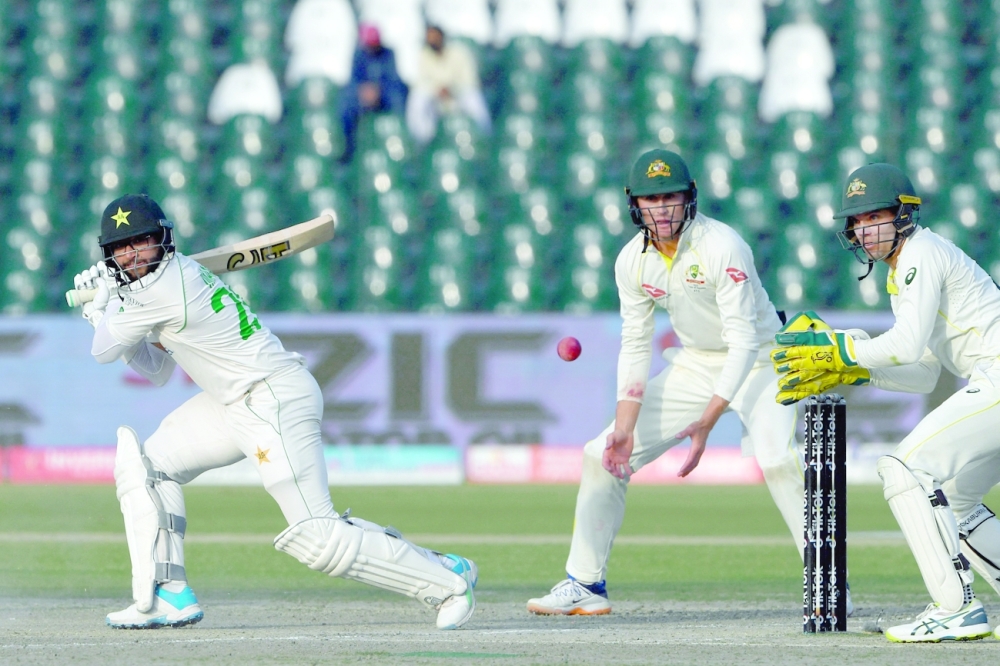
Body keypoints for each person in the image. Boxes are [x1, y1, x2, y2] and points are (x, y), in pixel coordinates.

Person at [73, 193, 476, 630]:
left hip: (270, 400)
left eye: (141, 242)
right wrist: (108, 313)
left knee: (315, 533)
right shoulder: (158, 288)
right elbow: (155, 370)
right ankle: (168, 595)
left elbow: (102, 353)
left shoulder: (164, 290)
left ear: (163, 239)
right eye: (121, 247)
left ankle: (445, 586)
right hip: (232, 402)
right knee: (149, 467)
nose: (131, 254)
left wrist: (106, 309)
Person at [525, 149, 812, 615]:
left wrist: (708, 420)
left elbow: (742, 341)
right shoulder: (631, 262)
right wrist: (624, 427)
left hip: (762, 360)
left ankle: (827, 584)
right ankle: (585, 584)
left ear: (689, 198)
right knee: (600, 454)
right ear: (635, 204)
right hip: (697, 364)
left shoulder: (724, 246)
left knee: (779, 459)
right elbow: (636, 345)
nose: (661, 208)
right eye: (651, 198)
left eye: (670, 197)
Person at [772, 163, 1000, 643]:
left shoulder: (921, 254)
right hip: (990, 376)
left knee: (904, 468)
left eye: (875, 216)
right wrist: (856, 366)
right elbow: (923, 374)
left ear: (904, 215)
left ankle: (954, 607)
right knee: (957, 499)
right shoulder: (903, 272)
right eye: (856, 221)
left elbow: (905, 345)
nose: (863, 229)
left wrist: (842, 349)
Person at [405, 25, 491, 144]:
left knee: (473, 97)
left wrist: (451, 89)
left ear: (442, 36)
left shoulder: (459, 52)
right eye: (429, 37)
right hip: (436, 98)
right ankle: (422, 141)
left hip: (458, 95)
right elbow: (421, 82)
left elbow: (469, 79)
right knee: (418, 98)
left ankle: (484, 135)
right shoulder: (424, 55)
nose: (432, 40)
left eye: (434, 36)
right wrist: (437, 90)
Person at [339, 23, 407, 161]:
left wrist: (378, 91)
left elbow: (392, 78)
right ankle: (348, 147)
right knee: (346, 103)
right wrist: (364, 90)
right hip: (364, 93)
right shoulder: (359, 55)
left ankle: (402, 144)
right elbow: (354, 78)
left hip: (384, 92)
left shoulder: (388, 54)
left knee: (397, 98)